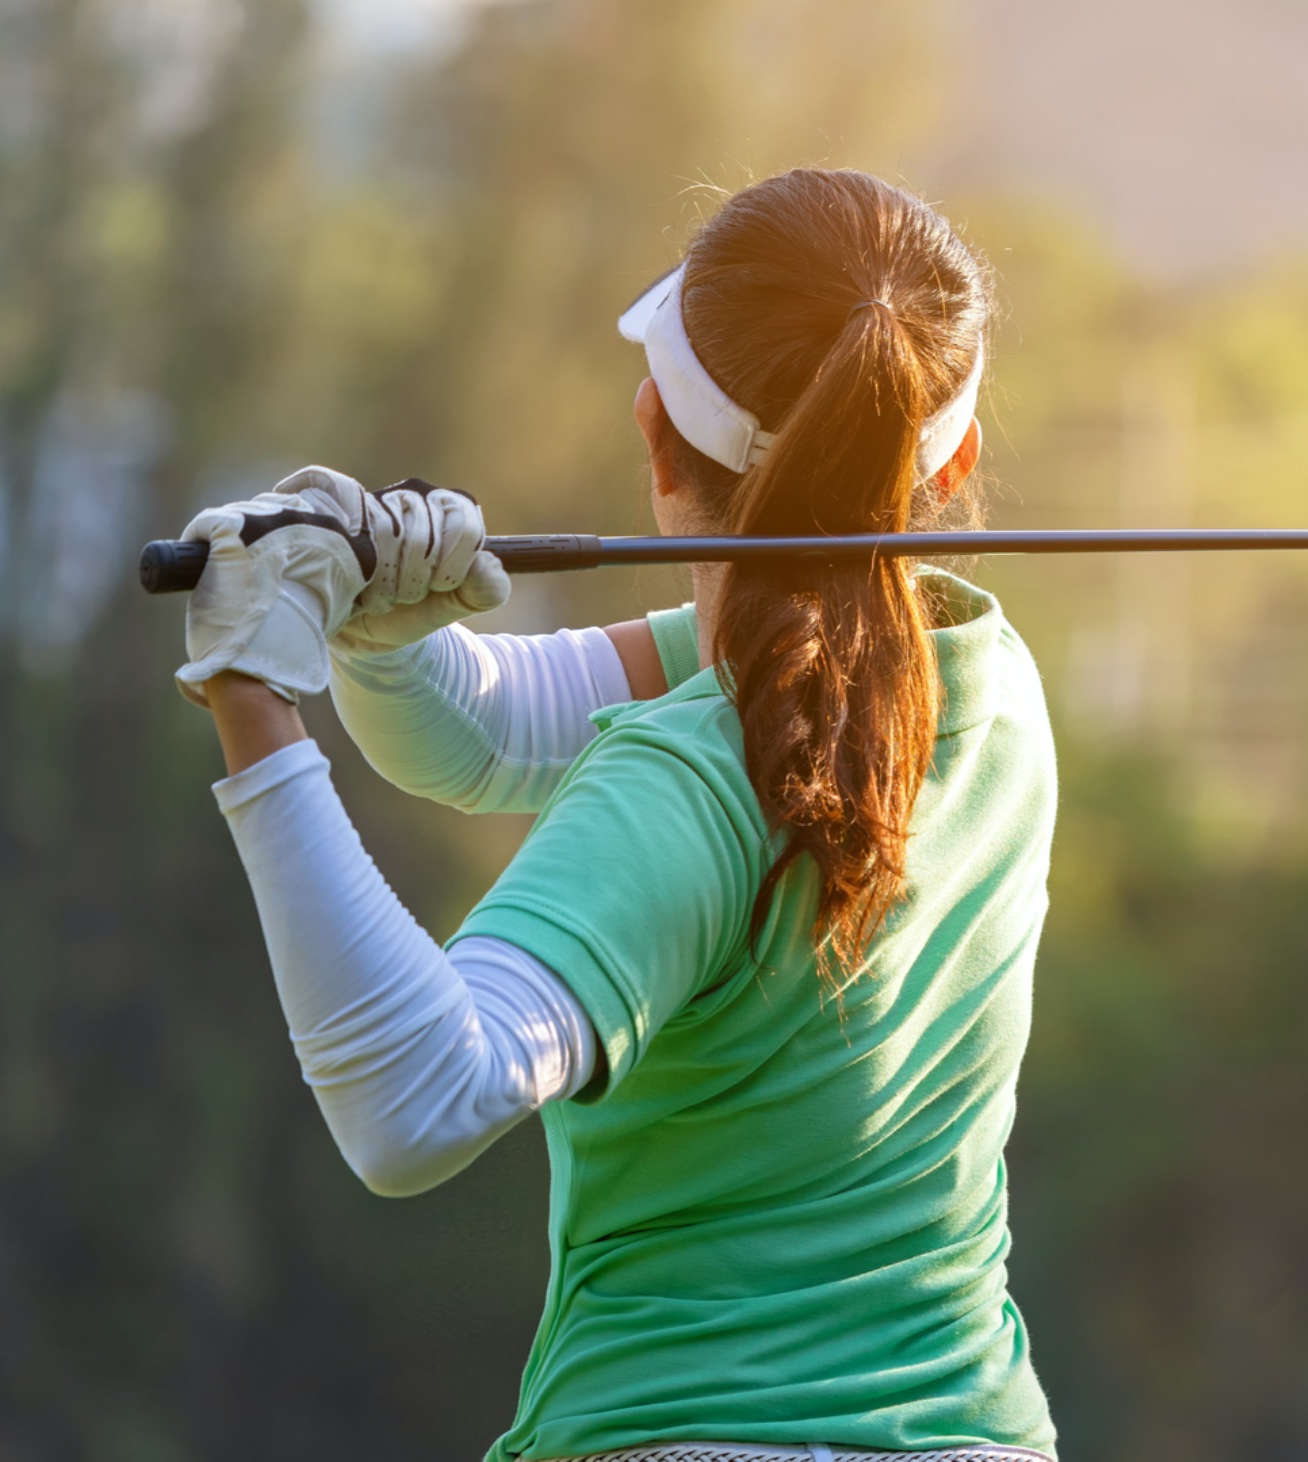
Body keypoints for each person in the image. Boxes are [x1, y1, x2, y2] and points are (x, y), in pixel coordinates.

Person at [176, 169, 1058, 1462]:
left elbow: (413, 1100)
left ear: (655, 433)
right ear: (953, 458)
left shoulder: (687, 776)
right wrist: (382, 636)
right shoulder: (992, 690)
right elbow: (482, 735)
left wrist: (252, 693)